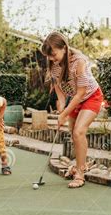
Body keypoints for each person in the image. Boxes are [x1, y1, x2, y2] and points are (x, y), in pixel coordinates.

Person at [41, 31, 104, 188]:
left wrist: (64, 113)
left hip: (91, 96)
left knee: (79, 132)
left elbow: (82, 92)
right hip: (75, 99)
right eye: (48, 56)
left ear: (64, 48)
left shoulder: (79, 62)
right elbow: (59, 89)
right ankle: (79, 166)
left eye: (53, 54)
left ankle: (80, 175)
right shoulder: (54, 64)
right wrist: (61, 108)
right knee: (73, 135)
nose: (51, 58)